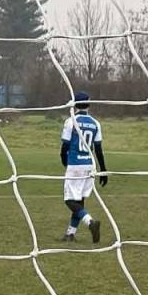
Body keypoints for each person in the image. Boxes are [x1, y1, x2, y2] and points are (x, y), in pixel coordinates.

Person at [60, 90, 106, 243]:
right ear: (89, 104)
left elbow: (65, 146)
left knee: (69, 200)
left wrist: (64, 161)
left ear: (75, 104)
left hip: (75, 164)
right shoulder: (95, 123)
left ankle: (90, 222)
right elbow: (98, 149)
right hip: (90, 165)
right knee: (79, 201)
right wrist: (103, 170)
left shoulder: (71, 121)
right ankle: (70, 233)